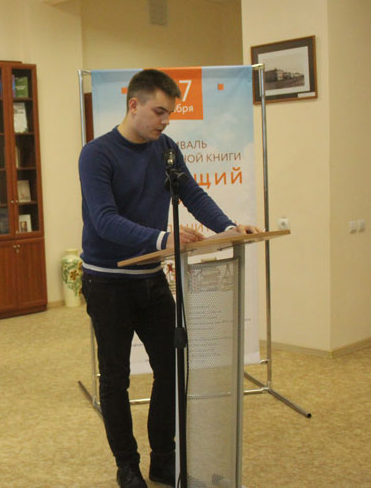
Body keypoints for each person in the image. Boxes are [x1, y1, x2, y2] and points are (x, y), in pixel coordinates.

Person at [78, 69, 260, 488]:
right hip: (108, 282)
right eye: (159, 111)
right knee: (116, 377)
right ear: (134, 105)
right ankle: (127, 465)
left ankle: (163, 460)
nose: (165, 121)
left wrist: (227, 228)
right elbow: (104, 220)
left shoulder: (166, 149)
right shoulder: (96, 154)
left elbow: (191, 193)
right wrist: (162, 238)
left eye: (169, 114)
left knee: (173, 366)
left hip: (152, 278)